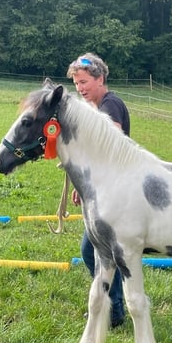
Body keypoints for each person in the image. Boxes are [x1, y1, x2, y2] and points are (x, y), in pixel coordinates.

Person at [66, 52, 130, 328]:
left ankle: (113, 310)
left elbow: (110, 143)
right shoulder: (96, 106)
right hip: (103, 187)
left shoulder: (110, 105)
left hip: (114, 189)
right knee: (95, 250)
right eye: (76, 83)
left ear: (100, 78)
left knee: (98, 250)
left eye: (84, 82)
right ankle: (112, 307)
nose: (80, 88)